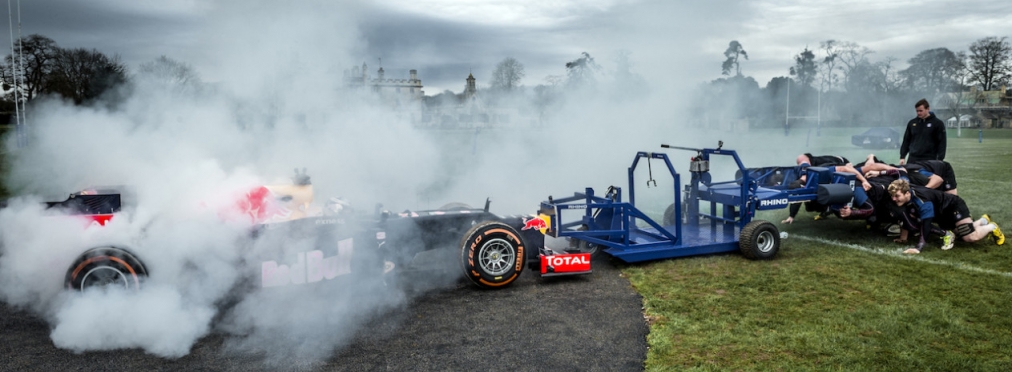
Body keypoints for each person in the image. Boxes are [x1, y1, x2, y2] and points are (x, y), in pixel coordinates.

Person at [887, 179, 1003, 254]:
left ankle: (992, 227)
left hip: (953, 206)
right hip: (943, 211)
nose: (893, 199)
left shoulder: (923, 202)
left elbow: (926, 226)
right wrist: (903, 238)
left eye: (897, 196)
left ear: (907, 193)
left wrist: (918, 248)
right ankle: (982, 221)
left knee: (969, 237)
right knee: (958, 233)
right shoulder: (907, 192)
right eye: (892, 196)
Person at [899, 99, 946, 165]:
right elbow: (906, 141)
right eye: (917, 111)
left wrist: (940, 159)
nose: (918, 113)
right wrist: (902, 156)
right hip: (913, 158)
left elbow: (942, 143)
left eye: (921, 111)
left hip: (929, 158)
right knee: (910, 175)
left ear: (928, 109)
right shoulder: (912, 123)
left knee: (926, 175)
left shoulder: (938, 123)